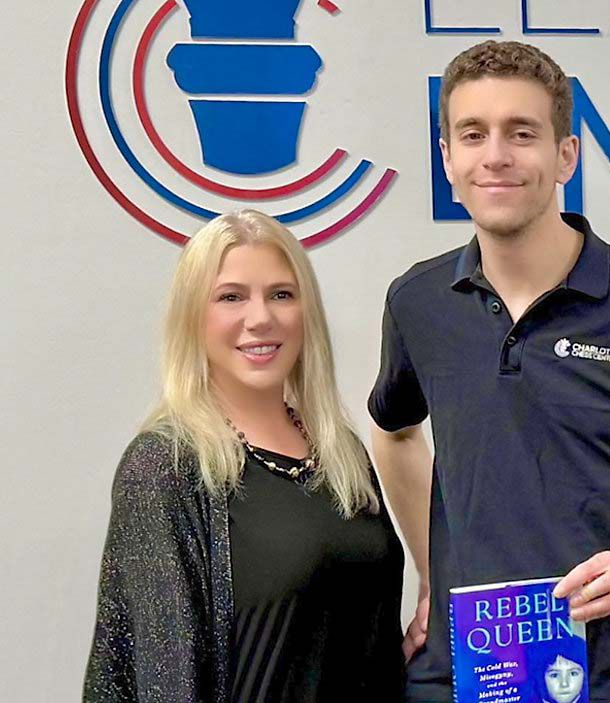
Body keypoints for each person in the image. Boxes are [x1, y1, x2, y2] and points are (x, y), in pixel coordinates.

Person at [370, 41, 610, 703]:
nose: (496, 156)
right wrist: (433, 575)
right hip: (469, 676)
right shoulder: (418, 302)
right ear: (448, 158)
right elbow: (394, 431)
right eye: (473, 134)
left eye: (522, 133)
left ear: (565, 154)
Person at [84, 210, 405, 702]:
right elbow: (165, 681)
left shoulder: (342, 453)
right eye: (231, 297)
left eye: (281, 294)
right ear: (193, 317)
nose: (260, 318)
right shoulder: (163, 467)